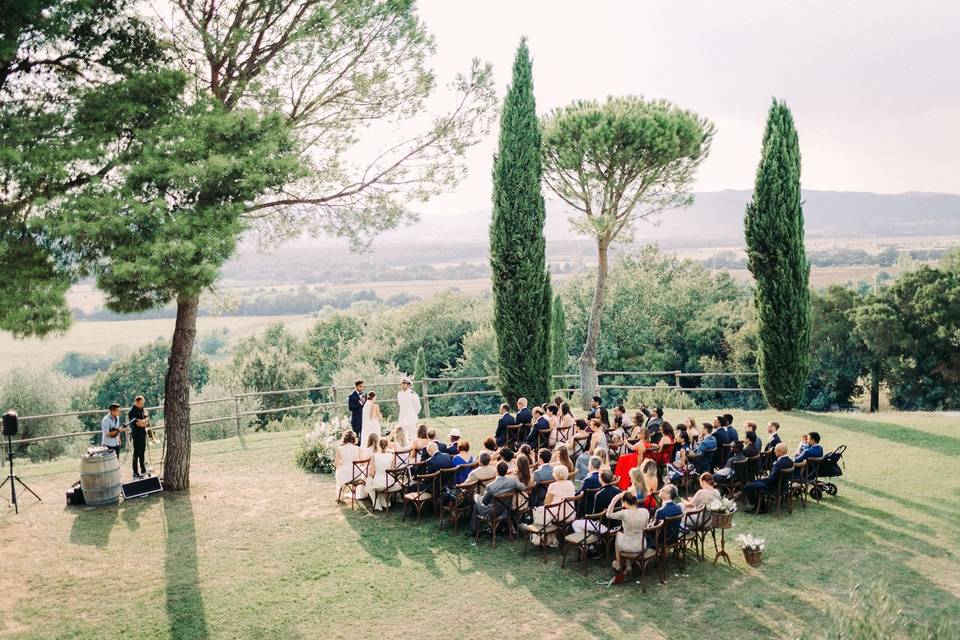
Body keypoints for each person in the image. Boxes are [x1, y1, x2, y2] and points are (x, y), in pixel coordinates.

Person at [469, 461, 528, 536]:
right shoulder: (512, 481)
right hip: (506, 510)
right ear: (506, 471)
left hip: (494, 513)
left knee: (476, 503)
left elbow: (484, 502)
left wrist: (477, 498)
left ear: (496, 471)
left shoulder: (491, 486)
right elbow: (523, 487)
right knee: (479, 500)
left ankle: (474, 530)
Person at [529, 466, 576, 547]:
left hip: (559, 515)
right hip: (570, 513)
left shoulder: (553, 485)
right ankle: (551, 536)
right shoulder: (570, 483)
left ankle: (544, 538)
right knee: (543, 511)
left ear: (555, 475)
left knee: (540, 510)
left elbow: (547, 502)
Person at [606, 491, 650, 572]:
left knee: (618, 534)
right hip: (642, 545)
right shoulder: (645, 511)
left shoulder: (624, 513)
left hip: (627, 546)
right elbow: (646, 526)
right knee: (623, 536)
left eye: (622, 502)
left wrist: (614, 500)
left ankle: (619, 563)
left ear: (626, 502)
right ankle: (628, 563)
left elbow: (608, 515)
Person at [744, 443, 794, 512]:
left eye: (776, 450)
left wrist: (760, 480)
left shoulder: (778, 464)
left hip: (774, 486)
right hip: (784, 486)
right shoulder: (790, 462)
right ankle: (761, 505)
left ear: (781, 452)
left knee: (748, 486)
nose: (774, 451)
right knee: (754, 484)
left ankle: (758, 507)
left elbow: (771, 479)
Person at [367, 438, 396, 511]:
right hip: (389, 482)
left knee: (368, 485)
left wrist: (368, 473)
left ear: (378, 445)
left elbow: (372, 473)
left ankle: (377, 505)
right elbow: (392, 470)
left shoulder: (374, 456)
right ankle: (385, 503)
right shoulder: (391, 456)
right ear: (387, 445)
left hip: (380, 482)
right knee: (374, 484)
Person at [334, 431, 360, 502]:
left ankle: (339, 495)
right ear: (353, 439)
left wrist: (341, 464)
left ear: (344, 438)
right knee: (345, 473)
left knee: (340, 473)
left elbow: (336, 464)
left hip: (345, 474)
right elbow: (362, 462)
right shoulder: (357, 448)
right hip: (356, 474)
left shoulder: (340, 449)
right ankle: (351, 493)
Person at [128, 395, 150, 478]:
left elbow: (146, 422)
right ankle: (135, 471)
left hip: (143, 434)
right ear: (137, 402)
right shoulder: (132, 412)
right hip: (136, 435)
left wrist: (144, 421)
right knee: (136, 453)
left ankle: (143, 469)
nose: (142, 405)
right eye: (141, 403)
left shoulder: (142, 409)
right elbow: (139, 424)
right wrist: (144, 421)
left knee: (142, 452)